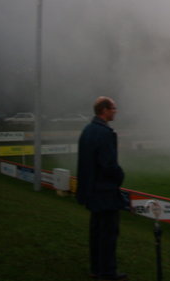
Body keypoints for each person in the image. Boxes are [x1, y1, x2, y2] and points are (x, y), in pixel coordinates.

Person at [77, 97, 127, 281]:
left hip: (92, 191)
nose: (116, 111)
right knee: (108, 234)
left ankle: (96, 269)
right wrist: (119, 176)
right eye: (114, 108)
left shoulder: (87, 130)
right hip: (105, 192)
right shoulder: (104, 133)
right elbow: (108, 164)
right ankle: (107, 272)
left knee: (96, 233)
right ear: (104, 110)